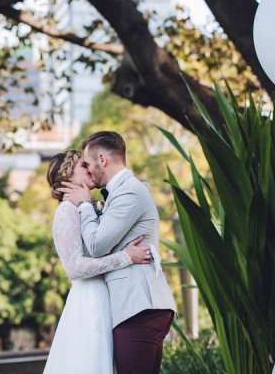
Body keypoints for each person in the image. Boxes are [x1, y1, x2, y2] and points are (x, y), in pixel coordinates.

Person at [59, 131, 176, 374]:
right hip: (137, 306)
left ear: (102, 159)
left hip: (138, 305)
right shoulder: (122, 192)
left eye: (89, 164)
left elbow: (97, 245)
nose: (89, 171)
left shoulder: (129, 191)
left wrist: (84, 204)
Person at [44, 149, 153, 374]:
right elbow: (75, 268)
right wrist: (125, 257)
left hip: (111, 297)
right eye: (83, 165)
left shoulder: (90, 207)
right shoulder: (66, 211)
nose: (91, 168)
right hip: (90, 302)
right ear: (67, 175)